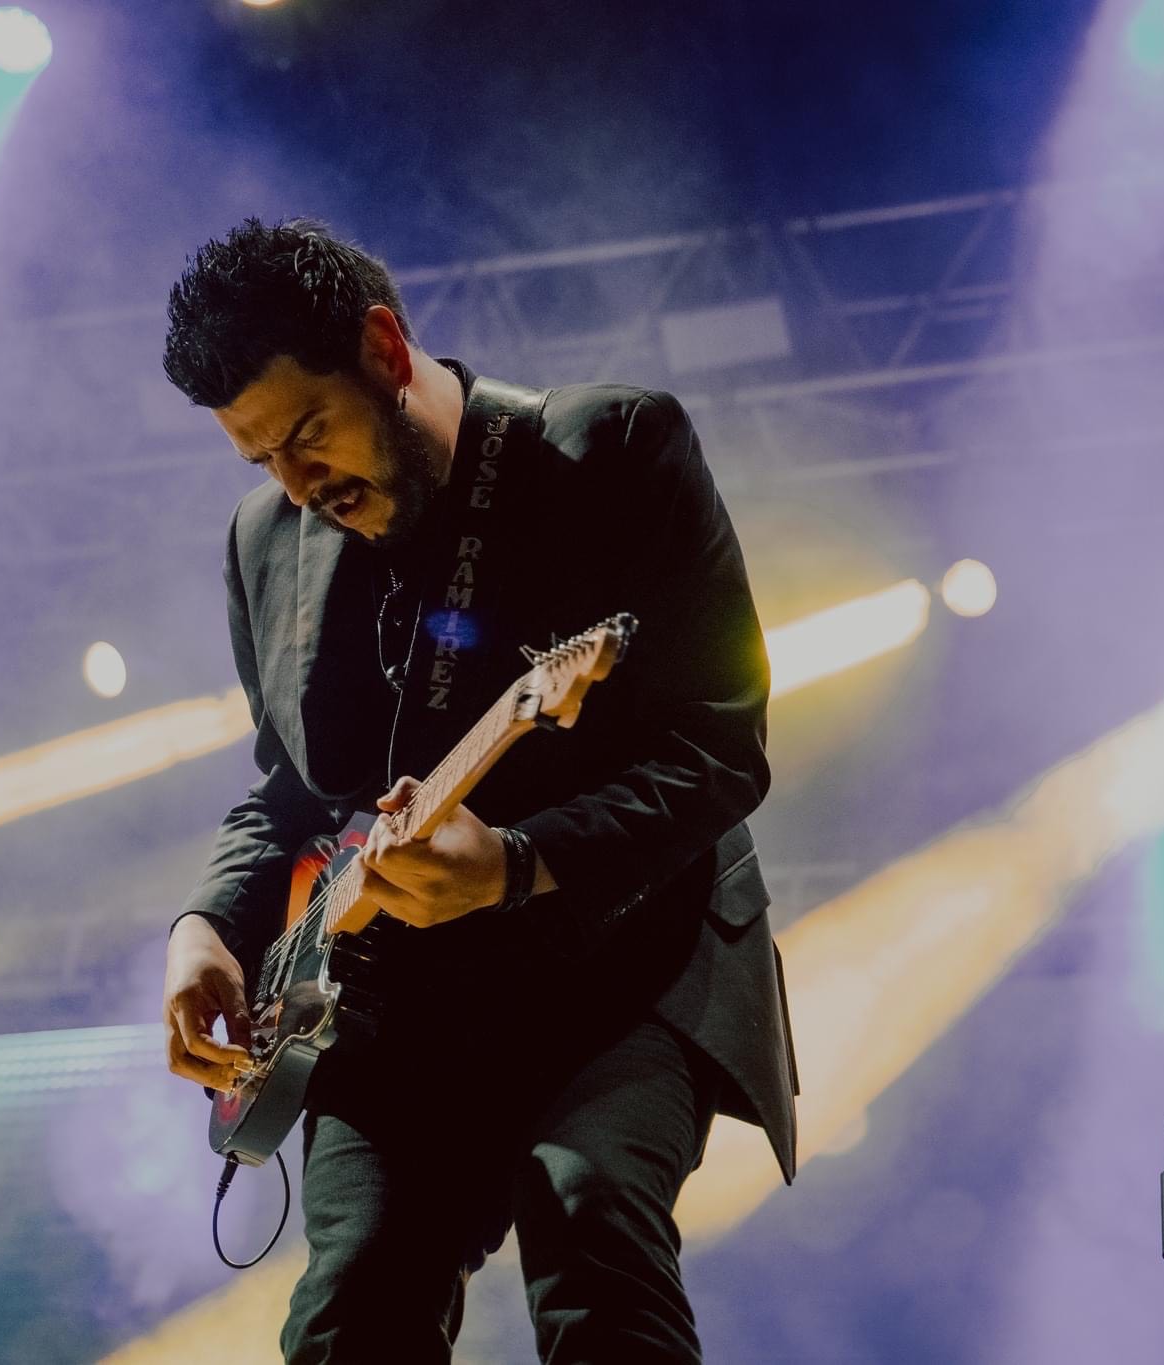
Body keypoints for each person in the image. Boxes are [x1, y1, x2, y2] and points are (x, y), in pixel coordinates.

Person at [158, 218, 798, 1364]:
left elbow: (719, 749)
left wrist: (516, 863)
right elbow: (289, 793)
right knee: (353, 1299)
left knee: (588, 1223)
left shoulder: (608, 452)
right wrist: (206, 928)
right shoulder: (265, 542)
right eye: (261, 461)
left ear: (384, 348)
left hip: (622, 968)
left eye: (307, 435)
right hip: (391, 1001)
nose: (297, 486)